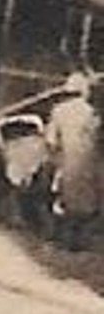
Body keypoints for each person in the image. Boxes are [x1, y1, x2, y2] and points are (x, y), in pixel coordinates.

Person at [46, 73, 102, 250]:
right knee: (87, 200)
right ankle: (81, 238)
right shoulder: (93, 114)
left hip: (66, 163)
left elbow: (51, 141)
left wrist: (54, 160)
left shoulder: (58, 110)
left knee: (61, 196)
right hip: (89, 165)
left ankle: (62, 236)